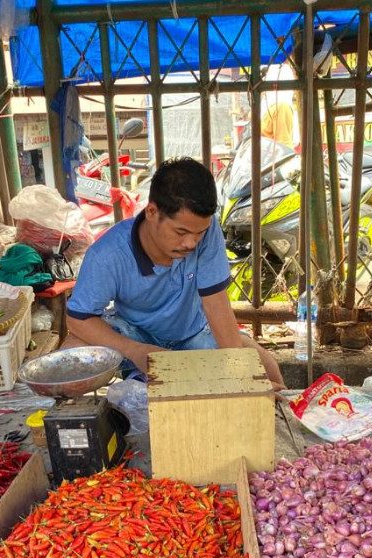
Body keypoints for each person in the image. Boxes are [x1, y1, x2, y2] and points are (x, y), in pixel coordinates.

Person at [65, 157, 286, 390]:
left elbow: (216, 305)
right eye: (181, 231)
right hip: (133, 335)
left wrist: (241, 375)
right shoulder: (108, 253)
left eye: (199, 233)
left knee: (262, 365)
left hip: (192, 334)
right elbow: (78, 320)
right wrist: (136, 350)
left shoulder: (208, 232)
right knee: (71, 360)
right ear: (151, 211)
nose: (191, 243)